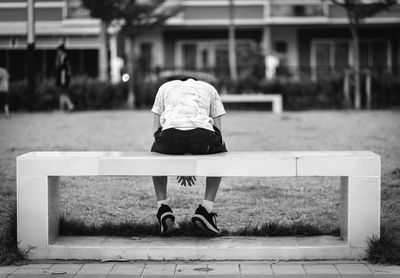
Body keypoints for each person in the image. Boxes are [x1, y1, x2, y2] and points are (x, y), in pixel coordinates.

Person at [150, 76, 227, 235]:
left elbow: (155, 128)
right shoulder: (209, 88)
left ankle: (163, 208)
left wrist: (180, 157)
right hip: (202, 136)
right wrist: (191, 159)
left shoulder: (165, 87)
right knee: (219, 153)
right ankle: (206, 210)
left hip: (170, 137)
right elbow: (218, 131)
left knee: (156, 151)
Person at [55, 44, 74, 111]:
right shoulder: (64, 57)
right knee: (62, 93)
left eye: (58, 51)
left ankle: (70, 105)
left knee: (63, 92)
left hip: (63, 76)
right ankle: (62, 108)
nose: (58, 52)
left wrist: (62, 80)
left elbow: (63, 69)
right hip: (64, 76)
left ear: (61, 51)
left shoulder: (64, 57)